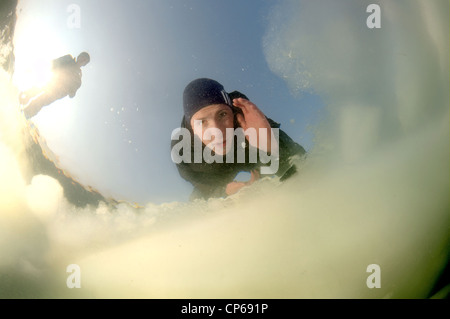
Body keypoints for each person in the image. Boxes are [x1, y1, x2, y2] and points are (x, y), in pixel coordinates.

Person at [171, 78, 306, 200]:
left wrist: (269, 146)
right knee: (199, 199)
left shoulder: (248, 118)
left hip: (247, 154)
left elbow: (304, 165)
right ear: (192, 128)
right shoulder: (185, 151)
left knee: (274, 165)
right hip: (216, 171)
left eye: (222, 114)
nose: (217, 132)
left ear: (233, 113)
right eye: (202, 122)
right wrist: (223, 190)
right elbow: (200, 184)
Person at [20, 52, 90, 119]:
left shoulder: (78, 79)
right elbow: (54, 62)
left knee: (41, 101)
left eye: (85, 60)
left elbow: (72, 95)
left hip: (57, 93)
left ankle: (26, 114)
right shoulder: (68, 58)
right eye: (83, 57)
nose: (82, 60)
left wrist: (72, 90)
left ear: (85, 64)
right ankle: (20, 100)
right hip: (52, 80)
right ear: (79, 56)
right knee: (35, 90)